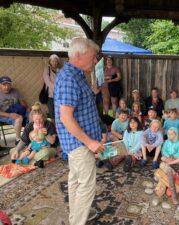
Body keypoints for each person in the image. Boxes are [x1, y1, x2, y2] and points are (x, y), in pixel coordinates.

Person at [54, 37, 104, 225]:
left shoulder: (77, 74)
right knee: (86, 186)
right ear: (79, 55)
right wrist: (90, 142)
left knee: (76, 181)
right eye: (93, 56)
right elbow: (66, 117)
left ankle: (75, 217)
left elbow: (81, 106)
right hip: (79, 144)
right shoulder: (69, 78)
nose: (95, 60)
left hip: (78, 142)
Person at [10, 102, 57, 168]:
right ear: (32, 118)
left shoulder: (49, 124)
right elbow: (23, 140)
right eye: (36, 119)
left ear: (43, 117)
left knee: (46, 152)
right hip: (32, 149)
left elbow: (52, 142)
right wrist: (16, 150)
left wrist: (46, 135)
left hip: (46, 148)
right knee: (13, 151)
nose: (38, 121)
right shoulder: (29, 126)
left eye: (40, 119)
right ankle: (35, 161)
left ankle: (29, 160)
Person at [0, 76, 29, 145]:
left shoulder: (15, 91)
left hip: (18, 110)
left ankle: (29, 136)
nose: (7, 87)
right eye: (4, 84)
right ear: (0, 85)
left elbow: (22, 101)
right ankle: (18, 139)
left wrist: (27, 107)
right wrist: (10, 115)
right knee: (19, 118)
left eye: (8, 84)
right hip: (5, 114)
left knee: (32, 115)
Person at [42, 54, 60, 122]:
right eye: (52, 61)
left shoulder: (59, 70)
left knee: (59, 113)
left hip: (59, 95)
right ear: (49, 62)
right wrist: (57, 88)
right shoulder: (47, 69)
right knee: (52, 114)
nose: (54, 63)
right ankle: (53, 130)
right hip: (50, 95)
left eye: (56, 61)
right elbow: (47, 82)